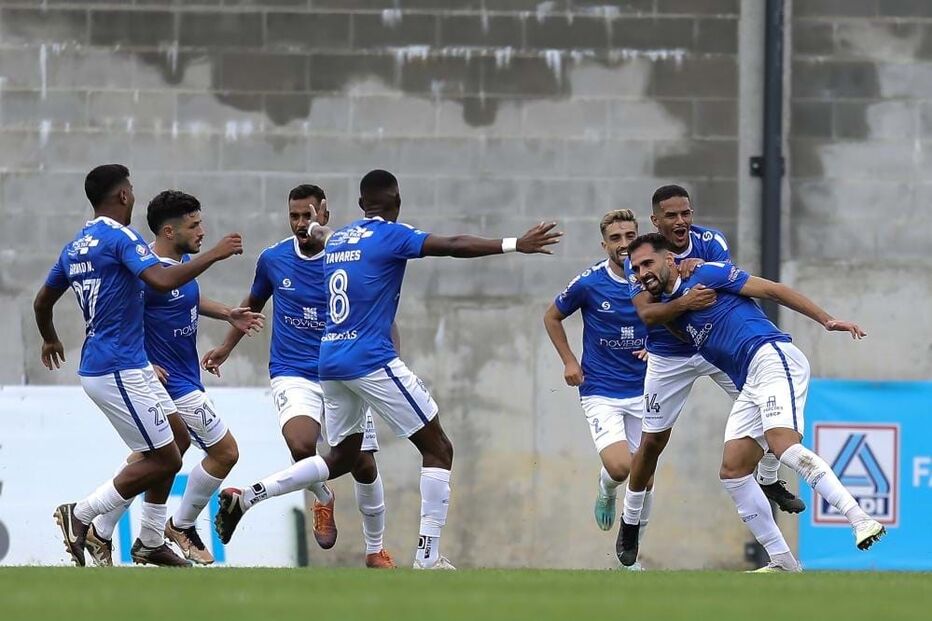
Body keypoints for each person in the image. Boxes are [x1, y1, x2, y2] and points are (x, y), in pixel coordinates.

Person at [213, 169, 562, 570]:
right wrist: (516, 243)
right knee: (438, 448)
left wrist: (314, 228)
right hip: (369, 358)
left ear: (361, 205)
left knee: (343, 457)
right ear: (397, 202)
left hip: (330, 360)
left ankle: (249, 496)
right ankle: (427, 556)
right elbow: (452, 244)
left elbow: (320, 238)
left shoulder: (340, 237)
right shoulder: (391, 235)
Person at [619, 233, 885, 571]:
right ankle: (783, 561)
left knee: (783, 446)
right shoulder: (674, 315)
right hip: (750, 380)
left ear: (669, 259)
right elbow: (653, 316)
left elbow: (773, 290)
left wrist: (826, 320)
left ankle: (859, 518)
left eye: (648, 263)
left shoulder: (706, 274)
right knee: (733, 471)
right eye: (637, 268)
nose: (642, 272)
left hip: (772, 357)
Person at [33, 164, 242, 567]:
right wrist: (215, 253)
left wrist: (50, 336)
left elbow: (42, 301)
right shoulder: (122, 238)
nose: (133, 194)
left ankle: (147, 538)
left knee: (177, 440)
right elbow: (161, 282)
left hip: (120, 364)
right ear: (123, 195)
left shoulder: (76, 245)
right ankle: (80, 515)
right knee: (166, 459)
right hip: (117, 366)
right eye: (130, 188)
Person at [202, 184, 395, 568]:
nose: (301, 224)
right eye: (294, 216)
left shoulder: (348, 255)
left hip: (345, 370)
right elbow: (251, 305)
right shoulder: (274, 259)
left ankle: (375, 550)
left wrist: (388, 363)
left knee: (364, 464)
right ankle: (323, 497)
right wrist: (226, 346)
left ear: (324, 213)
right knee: (301, 444)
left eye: (308, 216)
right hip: (293, 370)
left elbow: (380, 314)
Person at [619, 185, 803, 562]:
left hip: (714, 348)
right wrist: (684, 299)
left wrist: (695, 274)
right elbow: (648, 314)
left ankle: (768, 477)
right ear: (656, 220)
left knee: (772, 411)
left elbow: (723, 287)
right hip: (668, 356)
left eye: (685, 213)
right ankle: (631, 520)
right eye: (671, 215)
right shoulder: (640, 257)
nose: (681, 221)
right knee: (652, 443)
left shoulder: (711, 241)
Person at [83, 190, 264, 566]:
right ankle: (178, 524)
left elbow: (185, 297)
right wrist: (144, 361)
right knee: (223, 451)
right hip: (170, 384)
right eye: (194, 225)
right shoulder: (147, 272)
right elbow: (120, 316)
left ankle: (121, 533)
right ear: (169, 230)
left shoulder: (176, 265)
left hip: (184, 376)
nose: (202, 231)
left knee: (158, 457)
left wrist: (228, 312)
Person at [543, 209, 653, 549]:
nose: (624, 244)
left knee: (645, 477)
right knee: (622, 468)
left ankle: (631, 557)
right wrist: (569, 361)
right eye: (616, 238)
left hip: (646, 389)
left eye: (630, 236)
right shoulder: (590, 283)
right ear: (604, 244)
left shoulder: (655, 277)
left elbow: (674, 315)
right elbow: (552, 316)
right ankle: (606, 488)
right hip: (601, 389)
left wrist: (656, 344)